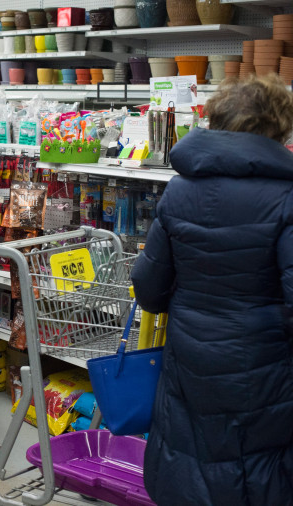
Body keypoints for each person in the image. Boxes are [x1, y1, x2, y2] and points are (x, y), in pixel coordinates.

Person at [131, 74, 293, 505]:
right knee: (256, 471)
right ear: (279, 128)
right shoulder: (287, 198)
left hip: (189, 359)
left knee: (191, 461)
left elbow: (148, 288)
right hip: (265, 368)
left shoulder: (179, 190)